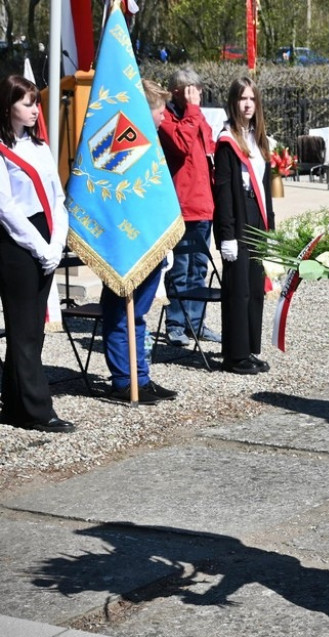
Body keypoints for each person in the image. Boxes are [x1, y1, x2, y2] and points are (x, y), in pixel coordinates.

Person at [0, 75, 74, 433]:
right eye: (26, 103)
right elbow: (6, 208)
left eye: (35, 103)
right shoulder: (2, 149)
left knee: (34, 330)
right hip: (16, 244)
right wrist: (40, 246)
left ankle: (14, 403)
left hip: (47, 235)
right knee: (24, 329)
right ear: (8, 105)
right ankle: (37, 410)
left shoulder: (41, 147)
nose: (33, 110)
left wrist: (57, 240)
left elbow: (58, 199)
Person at [100, 79, 180, 404]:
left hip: (150, 240)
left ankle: (140, 377)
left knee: (138, 316)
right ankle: (124, 381)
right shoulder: (121, 142)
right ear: (144, 111)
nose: (164, 117)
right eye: (160, 111)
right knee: (121, 313)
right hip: (127, 243)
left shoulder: (152, 143)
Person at [213, 77, 274, 374]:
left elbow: (266, 188)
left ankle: (249, 349)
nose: (247, 104)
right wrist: (226, 235)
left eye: (251, 98)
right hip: (237, 219)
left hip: (257, 218)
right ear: (233, 102)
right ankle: (235, 356)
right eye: (242, 99)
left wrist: (270, 228)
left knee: (254, 287)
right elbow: (223, 192)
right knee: (238, 290)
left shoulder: (258, 139)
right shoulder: (227, 141)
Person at [158, 68, 220, 347]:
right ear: (176, 93)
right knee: (179, 268)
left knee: (199, 267)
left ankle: (196, 323)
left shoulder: (196, 117)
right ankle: (175, 324)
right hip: (181, 207)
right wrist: (193, 111)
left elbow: (207, 144)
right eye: (191, 89)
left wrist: (195, 113)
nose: (197, 94)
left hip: (203, 205)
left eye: (198, 89)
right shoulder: (166, 120)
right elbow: (181, 144)